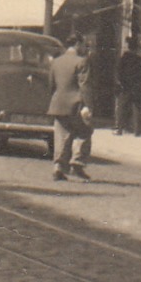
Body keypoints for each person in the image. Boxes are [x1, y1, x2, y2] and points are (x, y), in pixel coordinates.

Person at [47, 33, 96, 182]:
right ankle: (77, 163)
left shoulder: (56, 61)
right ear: (77, 44)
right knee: (85, 131)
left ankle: (58, 168)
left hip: (58, 104)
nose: (84, 48)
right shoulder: (82, 62)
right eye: (83, 45)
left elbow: (51, 84)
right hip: (76, 104)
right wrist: (89, 106)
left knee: (62, 136)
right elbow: (84, 85)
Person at [114, 36, 141, 136]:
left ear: (128, 47)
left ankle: (119, 129)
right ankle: (137, 131)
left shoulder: (124, 59)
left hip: (126, 86)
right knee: (136, 108)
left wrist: (120, 82)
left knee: (122, 107)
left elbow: (118, 72)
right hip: (137, 87)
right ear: (137, 49)